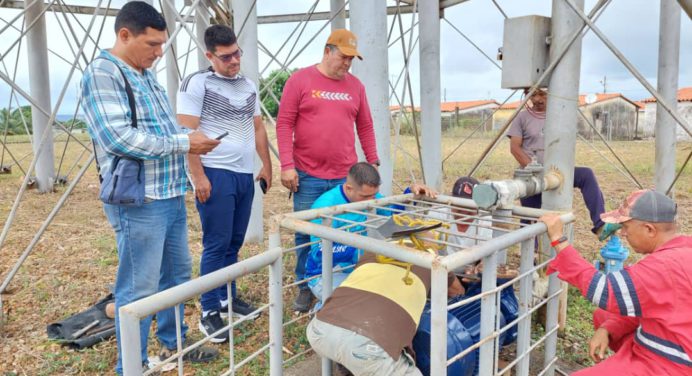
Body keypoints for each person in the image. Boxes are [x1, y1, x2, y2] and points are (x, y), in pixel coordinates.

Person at [80, 2, 220, 373]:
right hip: (139, 199)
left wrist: (191, 136)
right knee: (138, 288)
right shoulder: (102, 74)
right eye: (153, 44)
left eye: (162, 45)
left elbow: (163, 131)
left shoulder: (143, 74)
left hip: (169, 191)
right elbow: (118, 138)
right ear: (124, 35)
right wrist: (186, 143)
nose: (160, 53)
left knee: (176, 276)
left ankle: (174, 343)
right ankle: (133, 365)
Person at [177, 24, 272, 343]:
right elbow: (187, 134)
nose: (234, 61)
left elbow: (257, 127)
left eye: (237, 53)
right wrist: (198, 175)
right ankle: (208, 311)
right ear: (209, 55)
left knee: (234, 242)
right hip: (215, 172)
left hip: (244, 174)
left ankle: (228, 298)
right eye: (226, 56)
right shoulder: (196, 83)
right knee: (216, 243)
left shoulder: (248, 85)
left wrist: (267, 165)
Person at [276, 28, 380, 312]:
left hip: (345, 176)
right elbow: (284, 124)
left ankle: (346, 277)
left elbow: (366, 125)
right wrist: (287, 165)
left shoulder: (356, 87)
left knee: (349, 229)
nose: (347, 63)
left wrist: (372, 160)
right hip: (307, 174)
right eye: (343, 57)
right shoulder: (300, 80)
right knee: (304, 231)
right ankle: (305, 286)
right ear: (327, 51)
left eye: (351, 59)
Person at [540, 189, 692, 375]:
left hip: (671, 363)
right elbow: (654, 303)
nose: (623, 234)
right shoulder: (684, 248)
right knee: (604, 316)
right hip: (670, 339)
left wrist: (558, 240)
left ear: (649, 230)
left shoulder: (664, 266)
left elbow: (604, 290)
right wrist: (608, 328)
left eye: (626, 227)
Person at [307, 241, 465, 375]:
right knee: (365, 357)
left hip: (319, 329)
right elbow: (458, 293)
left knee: (355, 356)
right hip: (367, 346)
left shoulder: (374, 250)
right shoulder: (435, 261)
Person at [304, 162, 435, 303]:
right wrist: (364, 248)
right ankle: (321, 310)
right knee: (361, 300)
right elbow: (320, 251)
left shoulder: (371, 197)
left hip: (360, 267)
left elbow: (392, 211)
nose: (372, 202)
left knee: (387, 293)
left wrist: (410, 193)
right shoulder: (325, 207)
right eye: (365, 196)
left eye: (374, 195)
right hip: (326, 273)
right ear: (349, 188)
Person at [507, 89, 608, 236]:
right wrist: (535, 170)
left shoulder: (561, 115)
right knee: (530, 220)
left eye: (542, 94)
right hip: (530, 174)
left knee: (586, 175)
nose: (537, 99)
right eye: (533, 95)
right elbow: (515, 148)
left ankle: (601, 224)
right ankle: (532, 256)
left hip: (557, 171)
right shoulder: (522, 118)